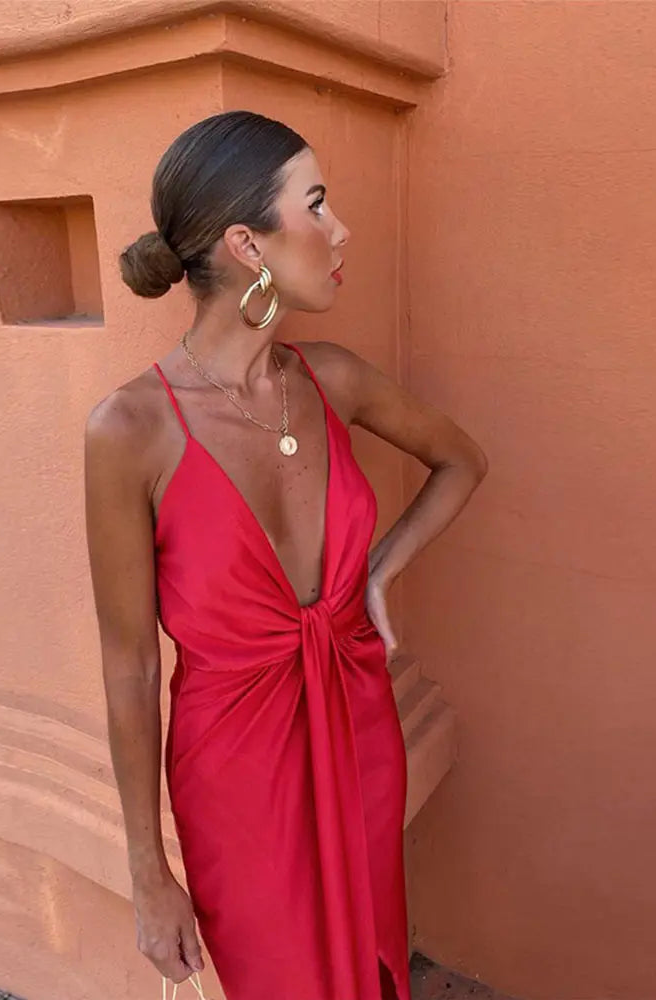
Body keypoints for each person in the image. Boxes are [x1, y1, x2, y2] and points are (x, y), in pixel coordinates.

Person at [84, 110, 488, 1000]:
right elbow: (129, 666)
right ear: (247, 245)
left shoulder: (333, 381)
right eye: (316, 204)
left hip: (359, 727)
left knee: (374, 965)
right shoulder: (131, 430)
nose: (339, 229)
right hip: (237, 778)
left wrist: (379, 568)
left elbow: (463, 460)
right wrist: (149, 874)